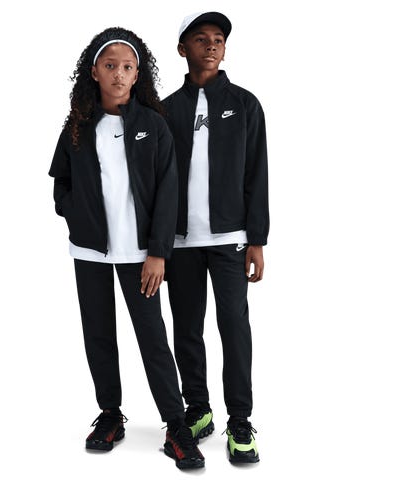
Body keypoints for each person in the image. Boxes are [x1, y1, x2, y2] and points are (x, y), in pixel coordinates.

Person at [48, 27, 204, 469]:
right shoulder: (77, 127)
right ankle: (111, 415)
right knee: (98, 335)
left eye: (128, 66)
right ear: (94, 72)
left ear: (138, 75)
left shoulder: (153, 126)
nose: (119, 73)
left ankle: (175, 425)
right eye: (110, 65)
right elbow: (61, 182)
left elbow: (169, 192)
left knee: (153, 338)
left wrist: (158, 252)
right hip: (90, 252)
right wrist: (76, 216)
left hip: (140, 255)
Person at [163, 12, 269, 463]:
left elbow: (257, 173)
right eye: (201, 39)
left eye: (219, 39)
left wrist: (257, 239)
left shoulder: (245, 104)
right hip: (180, 242)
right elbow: (156, 182)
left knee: (234, 327)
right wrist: (158, 243)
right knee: (187, 327)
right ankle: (199, 408)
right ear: (182, 49)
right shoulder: (166, 110)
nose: (211, 45)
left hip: (231, 239)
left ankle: (240, 420)